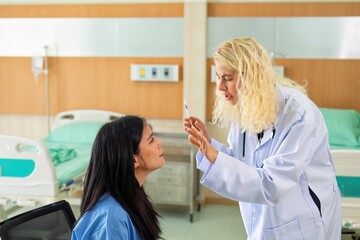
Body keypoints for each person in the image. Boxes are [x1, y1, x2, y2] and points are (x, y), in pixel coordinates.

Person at [184, 38, 341, 239]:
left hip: (301, 225)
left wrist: (214, 155)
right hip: (263, 221)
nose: (220, 87)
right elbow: (241, 163)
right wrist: (209, 145)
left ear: (251, 77)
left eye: (228, 78)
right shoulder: (246, 110)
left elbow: (273, 183)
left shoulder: (299, 115)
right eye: (218, 77)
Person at [72, 115, 164, 240]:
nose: (159, 143)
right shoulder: (111, 219)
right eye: (151, 140)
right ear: (133, 160)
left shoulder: (133, 195)